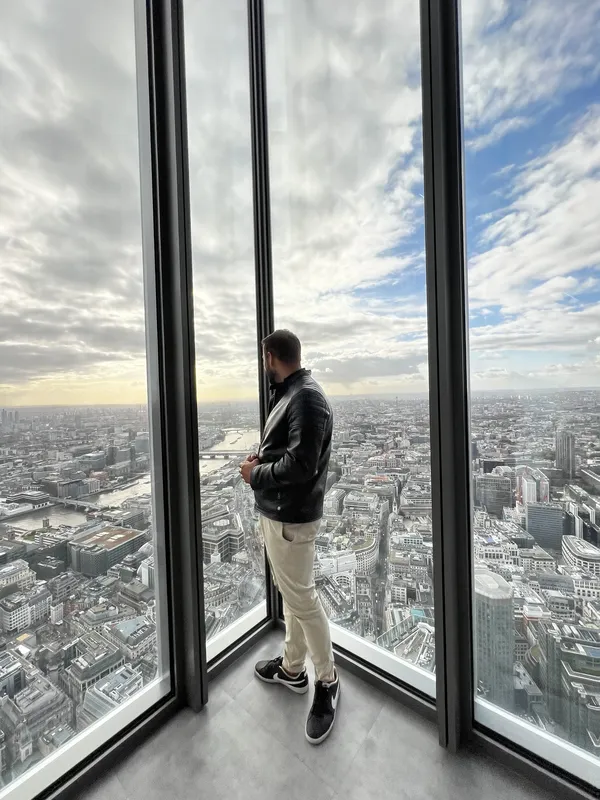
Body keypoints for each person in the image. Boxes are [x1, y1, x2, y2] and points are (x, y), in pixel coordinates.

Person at [239, 329, 339, 745]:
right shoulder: (294, 394)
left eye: (263, 360)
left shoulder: (306, 397)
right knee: (295, 594)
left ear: (270, 356)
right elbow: (290, 452)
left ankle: (328, 681)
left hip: (290, 517)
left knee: (303, 599)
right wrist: (263, 457)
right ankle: (294, 668)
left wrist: (254, 474)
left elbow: (302, 465)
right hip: (283, 515)